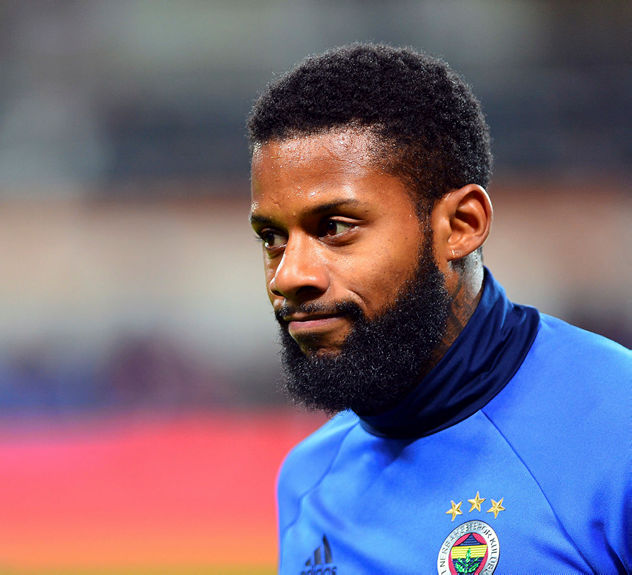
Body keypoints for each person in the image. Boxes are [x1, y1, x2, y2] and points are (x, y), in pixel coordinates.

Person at [246, 43, 630, 574]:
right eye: (272, 237)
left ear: (461, 225)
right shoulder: (307, 482)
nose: (288, 276)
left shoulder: (618, 433)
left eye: (335, 228)